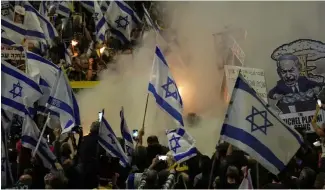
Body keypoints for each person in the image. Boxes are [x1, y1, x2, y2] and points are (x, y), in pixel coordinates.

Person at [311, 103, 325, 172]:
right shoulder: (322, 134)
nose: (322, 124)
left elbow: (313, 122)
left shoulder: (322, 134)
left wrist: (317, 109)